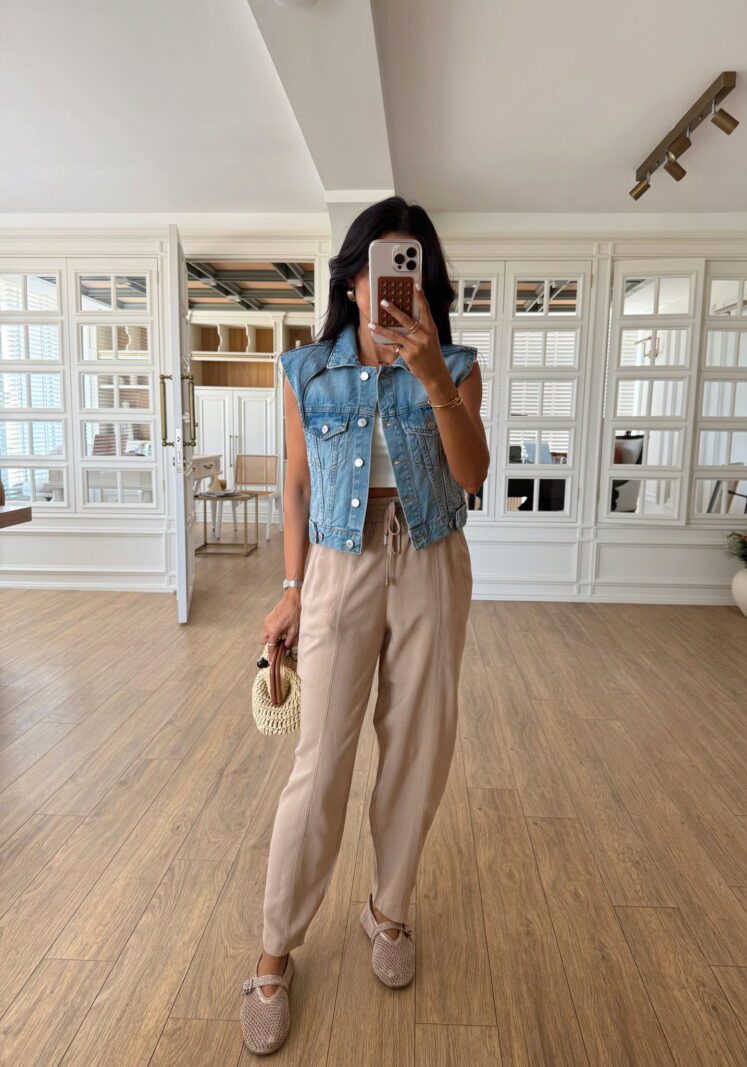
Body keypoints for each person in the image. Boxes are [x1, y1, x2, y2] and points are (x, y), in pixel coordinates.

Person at [240, 196, 489, 1055]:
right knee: (318, 763)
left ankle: (388, 910)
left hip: (430, 553)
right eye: (379, 267)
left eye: (409, 268)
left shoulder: (457, 364)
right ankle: (276, 948)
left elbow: (471, 476)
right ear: (352, 280)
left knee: (419, 747)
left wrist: (433, 378)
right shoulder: (307, 370)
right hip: (338, 562)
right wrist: (290, 588)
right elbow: (297, 486)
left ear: (426, 282)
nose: (391, 284)